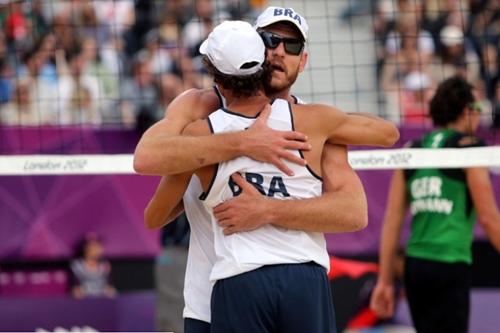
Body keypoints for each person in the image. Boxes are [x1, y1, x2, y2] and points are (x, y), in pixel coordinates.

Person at [136, 7, 399, 333]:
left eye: (291, 46)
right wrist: (244, 143)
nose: (278, 51)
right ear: (255, 48)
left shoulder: (317, 124)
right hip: (210, 297)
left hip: (268, 279)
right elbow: (146, 161)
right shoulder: (199, 109)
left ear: (303, 61)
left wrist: (267, 210)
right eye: (270, 40)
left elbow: (355, 211)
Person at [370, 76, 500, 333]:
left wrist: (384, 280)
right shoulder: (469, 148)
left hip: (415, 266)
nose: (479, 117)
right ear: (466, 111)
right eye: (477, 110)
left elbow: (392, 220)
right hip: (449, 262)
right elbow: (488, 217)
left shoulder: (412, 149)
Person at [70, 232, 116, 299]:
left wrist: (109, 291)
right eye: (94, 246)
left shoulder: (105, 266)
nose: (99, 250)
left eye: (99, 246)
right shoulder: (77, 266)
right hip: (84, 300)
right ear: (86, 248)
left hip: (102, 299)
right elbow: (75, 288)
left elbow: (110, 287)